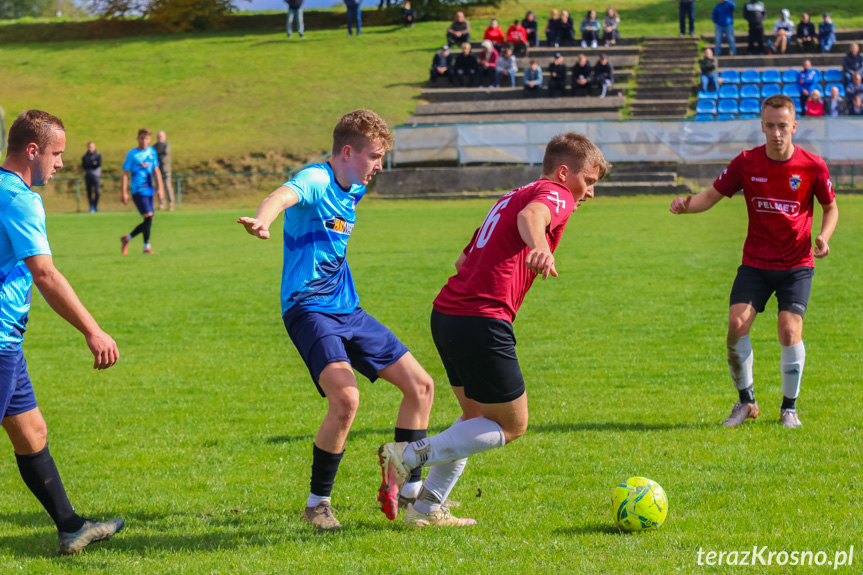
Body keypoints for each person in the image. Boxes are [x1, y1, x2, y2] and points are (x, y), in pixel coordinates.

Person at [377, 132, 610, 527]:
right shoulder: (556, 194)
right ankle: (408, 456)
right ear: (564, 171)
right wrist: (540, 246)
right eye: (588, 181)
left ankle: (427, 509)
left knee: (473, 419)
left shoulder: (510, 196)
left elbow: (462, 258)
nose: (588, 193)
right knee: (513, 425)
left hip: (447, 314)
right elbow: (531, 218)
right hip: (481, 318)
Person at [237, 110, 435, 530]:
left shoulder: (354, 186)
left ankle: (409, 492)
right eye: (374, 156)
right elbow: (283, 195)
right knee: (346, 399)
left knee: (421, 387)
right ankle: (317, 505)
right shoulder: (316, 179)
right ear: (348, 152)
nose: (380, 165)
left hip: (348, 308)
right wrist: (263, 220)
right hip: (308, 308)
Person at [669, 95, 838, 430]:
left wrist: (825, 236)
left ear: (794, 126)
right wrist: (687, 205)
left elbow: (830, 206)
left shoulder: (812, 165)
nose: (777, 132)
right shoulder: (746, 163)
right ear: (762, 126)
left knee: (789, 330)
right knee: (736, 326)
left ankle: (789, 407)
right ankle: (747, 401)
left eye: (783, 125)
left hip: (796, 264)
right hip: (756, 263)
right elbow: (712, 195)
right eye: (770, 125)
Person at [0, 109, 124, 554]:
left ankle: (71, 526)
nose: (61, 163)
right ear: (32, 151)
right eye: (56, 153)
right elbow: (45, 274)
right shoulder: (19, 198)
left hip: (8, 341)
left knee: (32, 433)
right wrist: (93, 330)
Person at [120, 128, 164, 255]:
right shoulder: (132, 154)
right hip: (138, 190)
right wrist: (124, 192)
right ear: (137, 138)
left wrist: (160, 189)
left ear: (150, 139)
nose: (144, 141)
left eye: (146, 139)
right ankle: (145, 246)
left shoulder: (152, 152)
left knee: (149, 220)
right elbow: (124, 173)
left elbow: (156, 170)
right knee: (149, 218)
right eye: (142, 138)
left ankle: (129, 239)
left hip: (150, 190)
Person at [153, 130, 175, 211]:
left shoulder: (167, 145)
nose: (160, 138)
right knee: (159, 187)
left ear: (164, 137)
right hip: (157, 169)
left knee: (168, 186)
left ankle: (171, 203)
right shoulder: (154, 146)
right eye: (158, 136)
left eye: (161, 136)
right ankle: (161, 203)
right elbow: (154, 155)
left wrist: (158, 154)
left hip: (166, 169)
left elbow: (165, 152)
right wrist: (159, 154)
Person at [81, 141, 101, 213]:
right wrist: (92, 163)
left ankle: (95, 205)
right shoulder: (85, 156)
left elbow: (98, 164)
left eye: (92, 147)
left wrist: (91, 164)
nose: (90, 148)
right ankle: (91, 206)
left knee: (97, 191)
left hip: (96, 176)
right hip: (88, 175)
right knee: (89, 192)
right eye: (89, 147)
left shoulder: (98, 155)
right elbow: (84, 165)